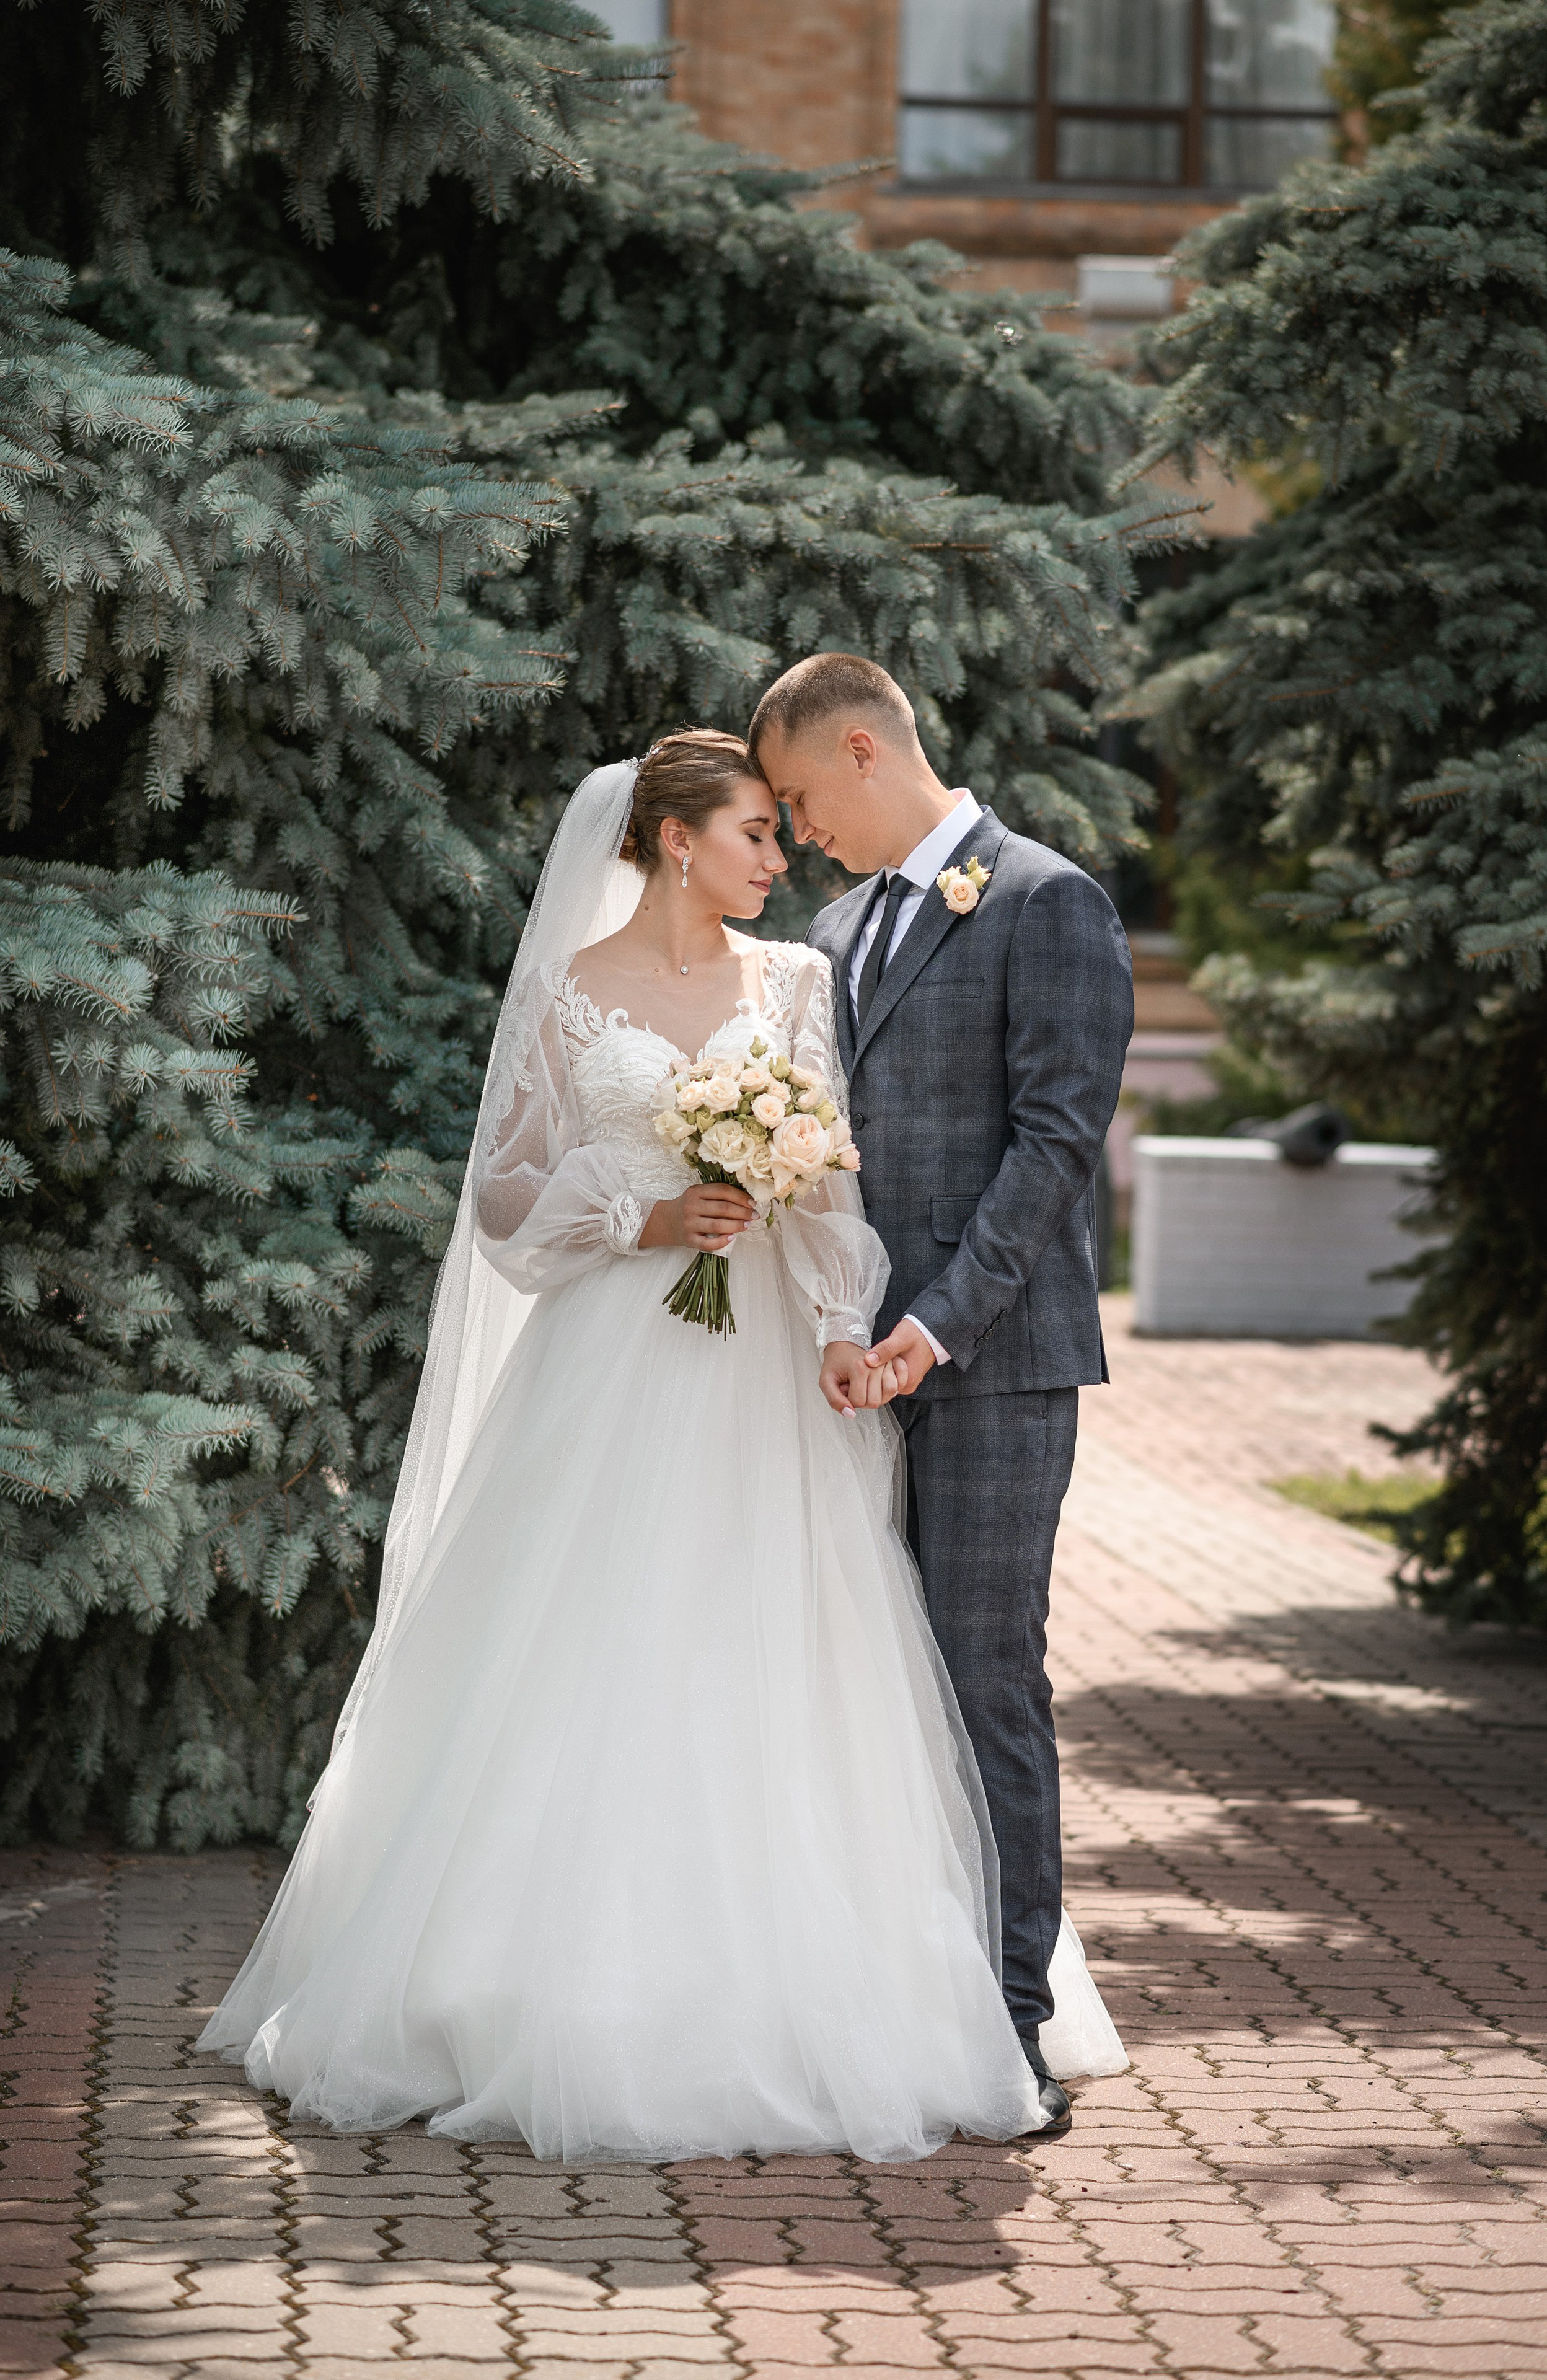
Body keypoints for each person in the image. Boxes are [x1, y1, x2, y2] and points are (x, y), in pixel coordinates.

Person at [199, 729, 1124, 2163]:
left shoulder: (799, 978)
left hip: (763, 1367)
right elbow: (504, 1206)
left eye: (783, 823)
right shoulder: (573, 994)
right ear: (674, 840)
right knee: (599, 1640)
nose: (782, 855)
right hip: (617, 1360)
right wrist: (637, 1217)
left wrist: (836, 1321)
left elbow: (821, 1181)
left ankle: (847, 1986)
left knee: (783, 1648)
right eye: (755, 831)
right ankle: (553, 1982)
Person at [750, 655, 1136, 2140]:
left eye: (797, 798)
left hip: (990, 1362)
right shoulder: (837, 929)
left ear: (861, 748)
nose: (794, 836)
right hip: (848, 1369)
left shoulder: (1046, 901)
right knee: (867, 1689)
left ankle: (1007, 2025)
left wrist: (932, 1328)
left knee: (981, 1678)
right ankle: (883, 2001)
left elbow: (1051, 1148)